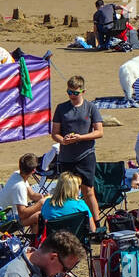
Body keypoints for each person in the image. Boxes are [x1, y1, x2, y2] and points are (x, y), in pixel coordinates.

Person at [51, 76, 104, 222]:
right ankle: (70, 222)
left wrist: (80, 138)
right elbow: (55, 133)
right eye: (69, 92)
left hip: (85, 155)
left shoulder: (91, 107)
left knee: (88, 192)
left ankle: (96, 224)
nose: (72, 96)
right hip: (66, 156)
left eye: (75, 93)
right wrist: (63, 141)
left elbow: (99, 132)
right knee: (67, 193)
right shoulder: (61, 108)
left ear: (83, 91)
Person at [0, 152, 45, 230]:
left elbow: (32, 195)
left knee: (37, 211)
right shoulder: (20, 186)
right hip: (3, 221)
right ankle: (35, 240)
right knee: (38, 216)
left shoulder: (18, 174)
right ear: (34, 171)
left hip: (1, 215)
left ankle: (34, 239)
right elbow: (22, 214)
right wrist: (40, 204)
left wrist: (43, 197)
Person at [40, 170, 96, 234]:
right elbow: (92, 229)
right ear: (74, 189)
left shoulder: (47, 203)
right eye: (79, 186)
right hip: (75, 242)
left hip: (52, 241)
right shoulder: (81, 205)